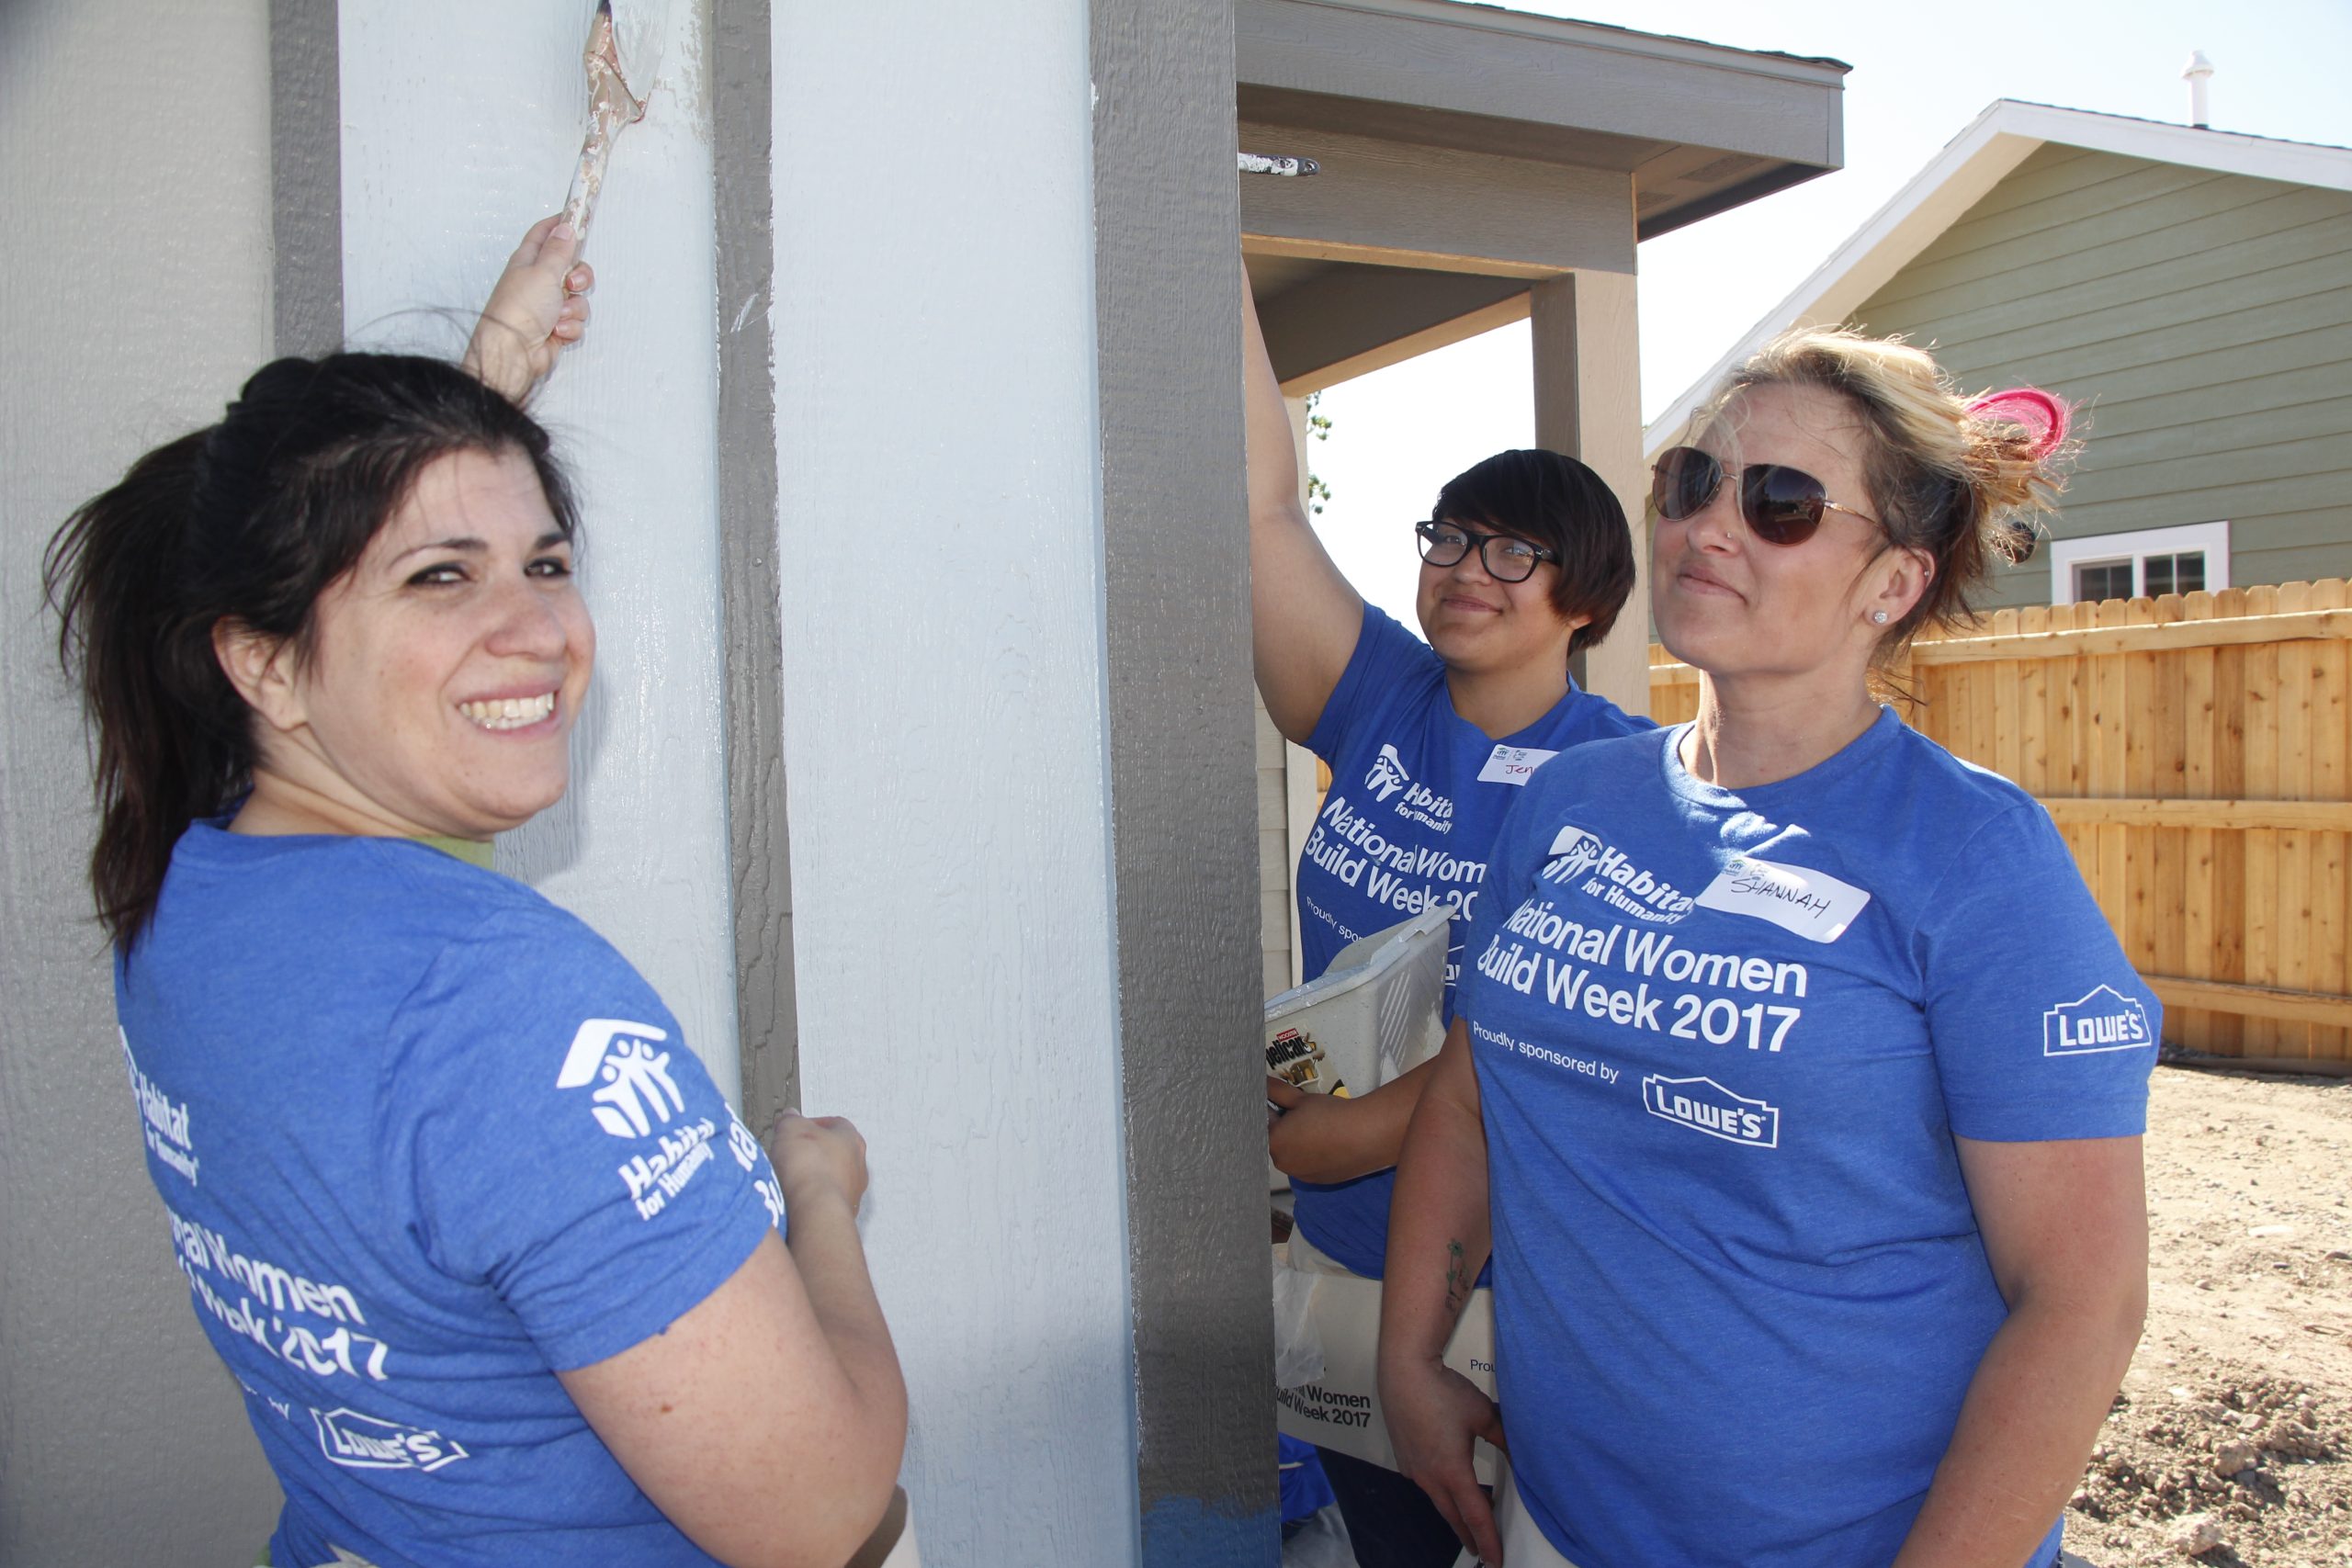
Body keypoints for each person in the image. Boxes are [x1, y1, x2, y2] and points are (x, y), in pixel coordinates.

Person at [43, 219, 906, 1568]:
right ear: (262, 665)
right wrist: (824, 1202)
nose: (541, 630)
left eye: (545, 563)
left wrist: (487, 376)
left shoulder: (187, 888)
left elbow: (366, 630)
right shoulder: (503, 1007)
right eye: (442, 576)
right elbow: (818, 1514)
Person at [1379, 327, 2155, 1568]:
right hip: (1557, 1520)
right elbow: (1475, 1100)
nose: (1708, 526)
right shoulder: (1572, 801)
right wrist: (1410, 1360)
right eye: (1694, 481)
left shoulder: (1974, 859)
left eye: (1781, 503)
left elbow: (2081, 1302)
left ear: (1890, 585)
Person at [1242, 269, 1648, 1565]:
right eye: (1448, 539)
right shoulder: (1380, 703)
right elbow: (1258, 510)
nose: (1467, 571)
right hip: (1355, 1275)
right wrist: (1213, 250)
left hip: (1515, 1293)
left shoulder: (1619, 780)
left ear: (1583, 598)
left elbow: (1543, 1037)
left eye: (1512, 552)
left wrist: (1341, 1136)